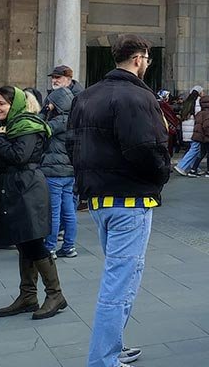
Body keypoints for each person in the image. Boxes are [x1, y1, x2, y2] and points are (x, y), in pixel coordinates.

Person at [70, 34, 170, 367]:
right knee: (120, 281)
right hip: (130, 200)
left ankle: (113, 344)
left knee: (122, 275)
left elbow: (72, 144)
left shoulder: (86, 96)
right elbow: (147, 148)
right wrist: (160, 176)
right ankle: (103, 359)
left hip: (99, 199)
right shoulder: (137, 97)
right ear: (141, 58)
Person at [0, 86, 68, 320]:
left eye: (2, 103)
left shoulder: (27, 126)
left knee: (33, 241)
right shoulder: (12, 126)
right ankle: (28, 295)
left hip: (28, 188)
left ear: (17, 104)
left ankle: (55, 294)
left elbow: (18, 156)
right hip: (16, 186)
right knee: (24, 241)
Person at [40, 86, 78, 258]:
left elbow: (39, 129)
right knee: (69, 211)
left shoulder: (58, 121)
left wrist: (43, 112)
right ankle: (69, 246)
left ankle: (50, 247)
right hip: (69, 171)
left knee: (53, 212)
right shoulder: (74, 119)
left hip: (54, 171)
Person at [174, 93, 209, 177]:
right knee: (207, 152)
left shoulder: (200, 113)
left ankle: (194, 169)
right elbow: (206, 125)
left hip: (200, 136)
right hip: (206, 137)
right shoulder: (208, 113)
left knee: (202, 152)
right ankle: (206, 170)